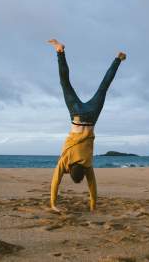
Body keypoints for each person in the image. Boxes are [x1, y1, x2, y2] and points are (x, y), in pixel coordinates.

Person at [48, 39, 126, 212]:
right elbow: (55, 182)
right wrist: (53, 203)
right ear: (70, 171)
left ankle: (118, 59)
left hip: (92, 117)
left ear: (82, 172)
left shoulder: (88, 164)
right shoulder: (65, 161)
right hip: (76, 116)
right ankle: (60, 52)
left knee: (103, 88)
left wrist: (93, 205)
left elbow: (93, 187)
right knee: (65, 83)